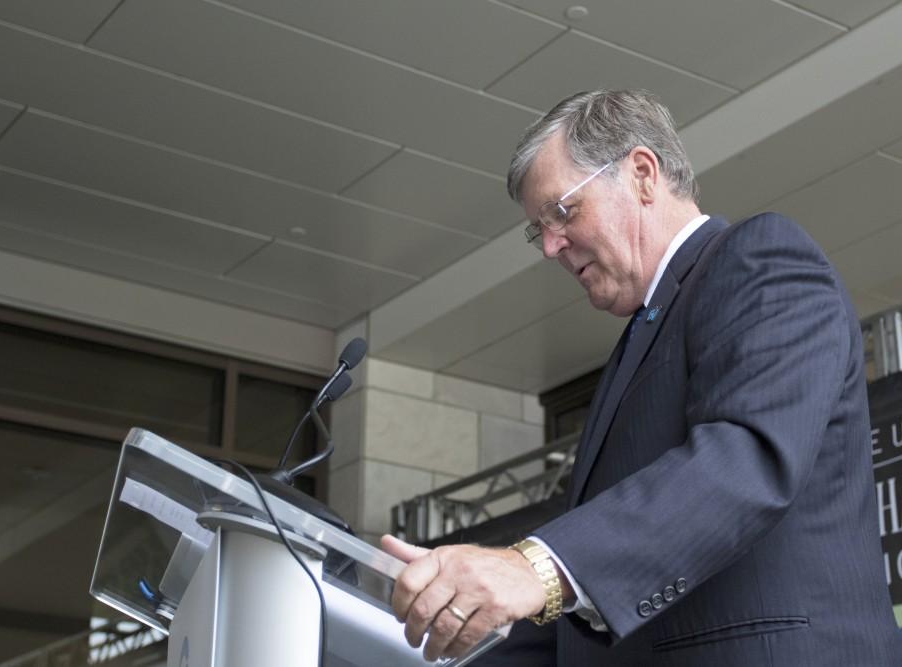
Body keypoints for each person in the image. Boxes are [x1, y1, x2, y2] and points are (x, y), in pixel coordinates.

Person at [381, 89, 900, 665]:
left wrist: (535, 567)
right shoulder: (639, 341)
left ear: (642, 174)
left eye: (563, 211)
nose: (550, 245)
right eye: (539, 230)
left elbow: (746, 458)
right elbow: (587, 613)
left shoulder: (762, 258)